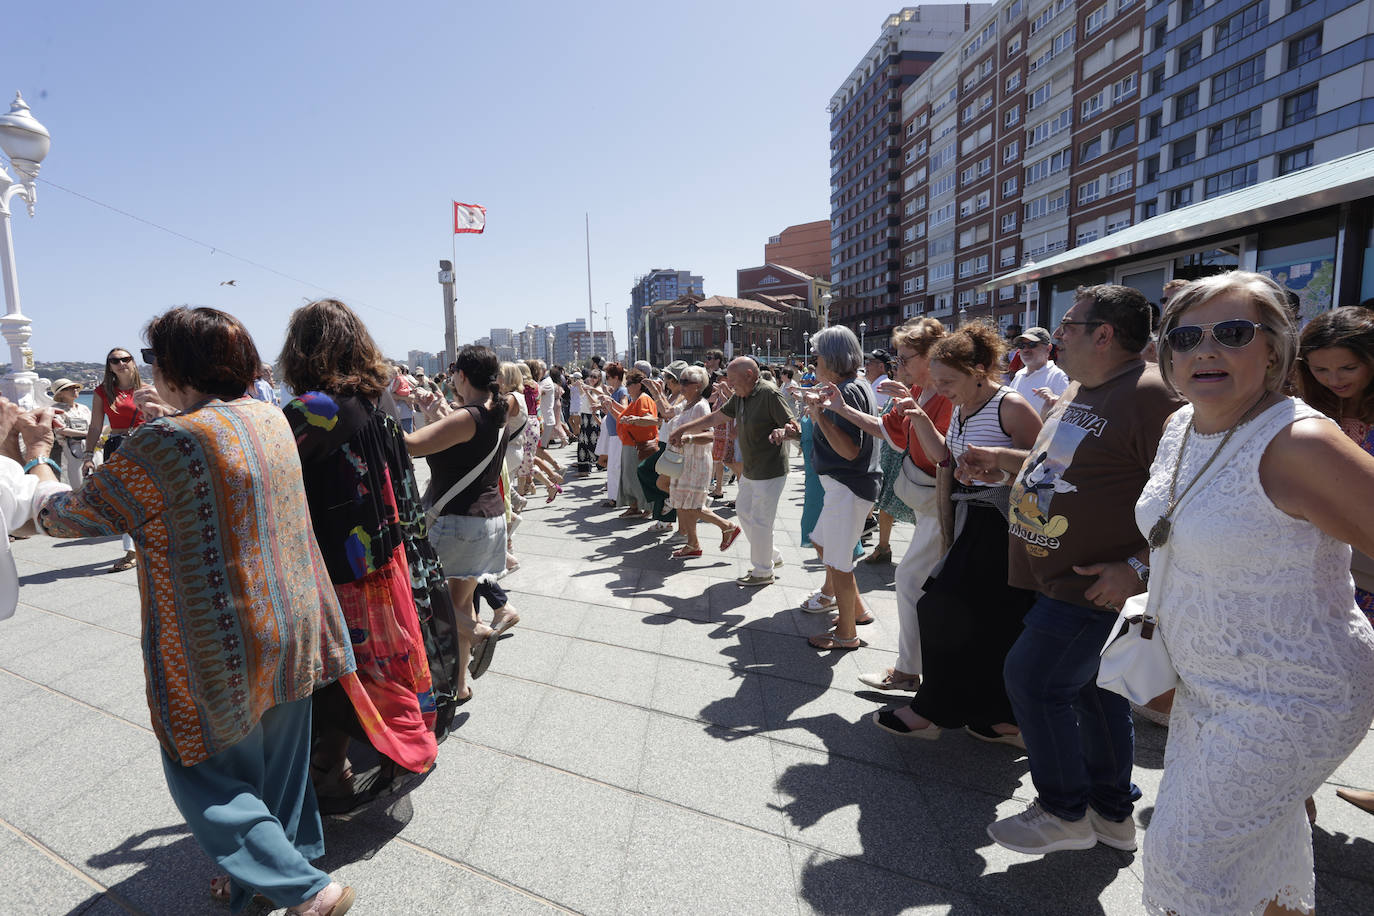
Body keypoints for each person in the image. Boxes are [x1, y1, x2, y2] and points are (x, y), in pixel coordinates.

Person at [34, 307, 357, 916]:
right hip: (295, 620)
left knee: (203, 768)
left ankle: (308, 891)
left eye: (155, 360)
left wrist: (36, 459)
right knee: (279, 765)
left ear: (178, 369)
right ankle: (278, 869)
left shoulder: (169, 440)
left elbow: (75, 515)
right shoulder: (268, 417)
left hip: (220, 641)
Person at [1133, 271, 1374, 915]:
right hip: (1209, 686)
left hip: (1295, 693)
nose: (1204, 351)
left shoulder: (1300, 441)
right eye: (1185, 336)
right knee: (1265, 852)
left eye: (1232, 333)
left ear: (1274, 350)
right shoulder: (1183, 423)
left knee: (1182, 862)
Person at [971, 285, 1182, 856]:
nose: (1055, 335)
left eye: (1066, 325)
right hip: (1056, 575)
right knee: (1094, 694)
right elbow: (1066, 462)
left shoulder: (1153, 396)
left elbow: (1190, 498)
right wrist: (1007, 464)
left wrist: (1137, 567)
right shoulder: (1080, 388)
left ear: (1104, 334)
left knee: (1034, 680)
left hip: (1094, 587)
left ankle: (1064, 810)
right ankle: (1111, 814)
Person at [278, 300, 446, 813]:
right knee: (373, 667)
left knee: (338, 670)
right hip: (383, 558)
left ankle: (334, 764)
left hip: (337, 567)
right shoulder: (375, 405)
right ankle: (342, 762)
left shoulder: (312, 411)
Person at [870, 322, 1041, 740]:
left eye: (948, 380)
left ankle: (935, 709)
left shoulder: (1010, 404)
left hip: (1003, 525)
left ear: (979, 369)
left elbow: (1045, 464)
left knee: (944, 610)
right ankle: (996, 717)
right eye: (939, 379)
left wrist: (999, 459)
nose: (941, 387)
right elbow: (946, 457)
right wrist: (919, 418)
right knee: (987, 622)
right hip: (972, 519)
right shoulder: (965, 406)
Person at [830, 319, 952, 692]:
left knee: (911, 578)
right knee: (924, 582)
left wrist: (917, 410)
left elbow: (948, 452)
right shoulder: (917, 388)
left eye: (904, 357)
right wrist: (839, 408)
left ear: (932, 356)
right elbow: (886, 428)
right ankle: (920, 669)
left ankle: (908, 671)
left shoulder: (948, 394)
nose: (897, 364)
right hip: (927, 498)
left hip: (945, 500)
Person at [405, 345, 509, 705]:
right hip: (488, 520)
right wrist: (434, 413)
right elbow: (463, 448)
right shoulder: (497, 409)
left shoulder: (468, 417)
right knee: (462, 603)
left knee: (437, 605)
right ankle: (460, 685)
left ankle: (480, 633)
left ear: (462, 376)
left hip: (459, 523)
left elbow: (410, 446)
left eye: (453, 375)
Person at [670, 357, 794, 586]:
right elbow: (717, 417)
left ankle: (762, 571)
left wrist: (783, 431)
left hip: (770, 469)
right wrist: (684, 427)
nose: (729, 384)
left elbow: (794, 427)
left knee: (760, 520)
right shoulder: (741, 395)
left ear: (749, 374)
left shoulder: (769, 394)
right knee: (745, 513)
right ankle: (772, 555)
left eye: (733, 379)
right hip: (751, 468)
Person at [798, 327, 882, 650]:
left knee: (840, 564)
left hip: (848, 487)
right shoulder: (853, 385)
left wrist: (819, 416)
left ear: (831, 357)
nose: (813, 361)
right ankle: (856, 611)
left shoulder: (848, 389)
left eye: (816, 355)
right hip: (846, 487)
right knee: (823, 544)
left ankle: (847, 633)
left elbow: (849, 450)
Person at [660, 366, 738, 558]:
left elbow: (711, 435)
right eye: (681, 381)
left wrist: (689, 438)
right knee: (681, 502)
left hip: (696, 461)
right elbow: (667, 412)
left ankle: (727, 526)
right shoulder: (685, 404)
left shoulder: (700, 406)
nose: (681, 385)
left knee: (691, 504)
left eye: (685, 382)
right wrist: (656, 391)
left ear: (697, 386)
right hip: (683, 460)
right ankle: (693, 544)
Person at [82, 347, 146, 572]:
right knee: (125, 500)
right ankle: (131, 551)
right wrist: (88, 455)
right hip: (118, 449)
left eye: (125, 359)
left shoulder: (147, 389)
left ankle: (146, 546)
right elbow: (95, 426)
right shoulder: (103, 392)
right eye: (114, 360)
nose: (121, 363)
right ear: (109, 366)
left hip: (146, 448)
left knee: (146, 498)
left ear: (133, 362)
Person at [595, 369, 657, 518]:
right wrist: (610, 407)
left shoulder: (643, 399)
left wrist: (634, 419)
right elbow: (622, 418)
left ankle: (647, 508)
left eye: (630, 383)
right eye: (627, 383)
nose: (627, 386)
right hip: (630, 444)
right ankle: (634, 506)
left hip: (638, 444)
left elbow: (648, 417)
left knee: (636, 478)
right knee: (629, 477)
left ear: (639, 385)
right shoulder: (635, 400)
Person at [1007, 327, 1070, 416]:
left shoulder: (1057, 375)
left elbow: (1066, 414)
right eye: (1022, 345)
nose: (1025, 350)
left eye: (1032, 344)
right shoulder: (1019, 375)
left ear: (1048, 348)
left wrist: (1056, 400)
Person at [48, 378, 90, 489]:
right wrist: (88, 434)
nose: (74, 390)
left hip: (92, 447)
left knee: (95, 480)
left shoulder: (84, 408)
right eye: (69, 388)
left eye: (75, 387)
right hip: (72, 449)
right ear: (60, 393)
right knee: (78, 483)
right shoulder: (54, 410)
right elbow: (61, 430)